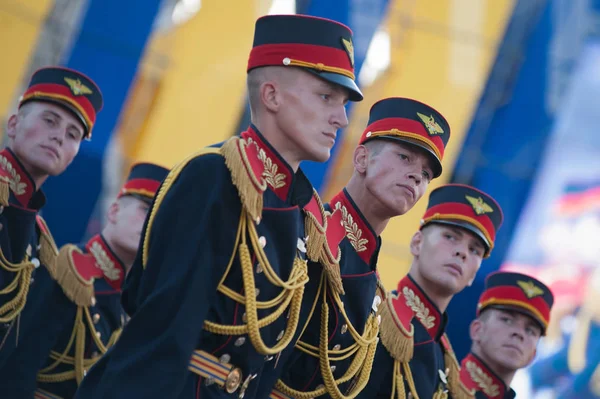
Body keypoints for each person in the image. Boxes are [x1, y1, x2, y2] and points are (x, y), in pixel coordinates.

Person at [74, 13, 362, 399]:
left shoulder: (300, 212)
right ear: (271, 95)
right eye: (327, 97)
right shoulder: (214, 178)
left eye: (344, 104)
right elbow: (162, 335)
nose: (342, 119)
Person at [269, 97, 452, 398]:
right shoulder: (307, 234)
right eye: (405, 157)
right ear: (362, 159)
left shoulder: (375, 288)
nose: (416, 176)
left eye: (426, 175)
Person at [32, 162, 169, 399]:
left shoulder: (138, 304)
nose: (151, 225)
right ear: (114, 210)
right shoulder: (69, 269)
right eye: (146, 210)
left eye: (162, 220)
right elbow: (20, 364)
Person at [0, 66, 102, 381]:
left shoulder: (43, 246)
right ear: (13, 124)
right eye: (49, 121)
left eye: (73, 134)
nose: (59, 136)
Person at [358, 184, 504, 399]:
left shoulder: (446, 364)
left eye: (474, 250)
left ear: (474, 274)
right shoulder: (372, 319)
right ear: (417, 243)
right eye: (450, 236)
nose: (462, 252)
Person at [460, 271, 554, 399]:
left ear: (533, 355)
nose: (519, 333)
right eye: (507, 320)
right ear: (477, 330)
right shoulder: (441, 386)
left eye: (530, 330)